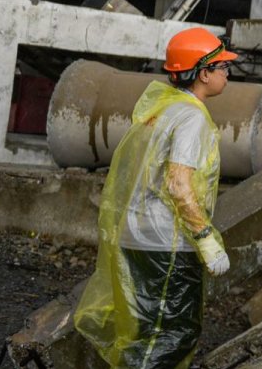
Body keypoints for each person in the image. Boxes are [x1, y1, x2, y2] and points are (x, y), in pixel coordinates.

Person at [74, 28, 237, 369]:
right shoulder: (191, 117)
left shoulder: (162, 109)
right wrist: (206, 239)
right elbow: (178, 183)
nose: (227, 73)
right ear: (203, 72)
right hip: (167, 245)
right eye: (222, 66)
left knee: (145, 332)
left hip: (139, 236)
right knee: (169, 338)